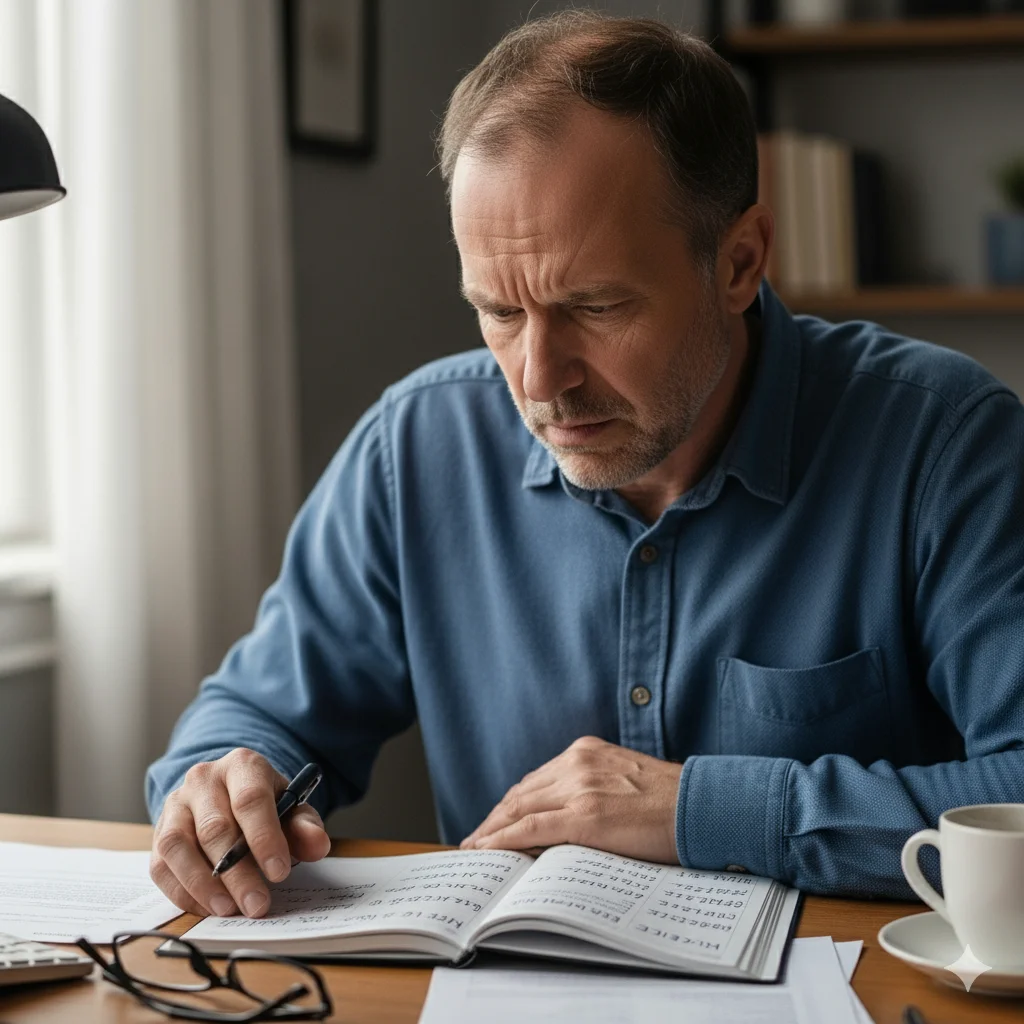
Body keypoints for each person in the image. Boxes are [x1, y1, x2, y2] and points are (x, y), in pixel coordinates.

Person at [146, 10, 1024, 922]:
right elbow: (256, 719)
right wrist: (222, 785)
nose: (539, 381)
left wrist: (702, 807)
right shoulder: (416, 449)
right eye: (498, 311)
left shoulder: (944, 443)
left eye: (595, 306)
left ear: (740, 261)